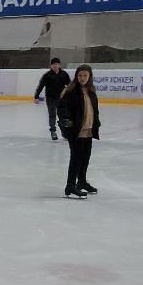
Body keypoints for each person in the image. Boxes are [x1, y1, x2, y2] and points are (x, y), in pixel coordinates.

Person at [56, 64, 100, 199]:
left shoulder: (90, 91)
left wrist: (96, 122)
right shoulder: (71, 91)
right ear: (76, 76)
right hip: (76, 131)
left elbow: (93, 109)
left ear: (89, 77)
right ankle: (70, 185)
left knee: (85, 157)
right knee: (76, 158)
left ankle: (81, 181)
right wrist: (66, 119)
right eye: (80, 75)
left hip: (88, 130)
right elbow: (62, 106)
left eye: (85, 75)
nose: (82, 78)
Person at [33, 58, 71, 142]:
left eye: (57, 64)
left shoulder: (64, 74)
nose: (55, 65)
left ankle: (65, 133)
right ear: (51, 65)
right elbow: (40, 86)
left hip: (62, 99)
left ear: (59, 65)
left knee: (63, 116)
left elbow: (70, 85)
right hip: (50, 98)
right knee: (52, 115)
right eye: (54, 64)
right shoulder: (47, 75)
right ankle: (53, 131)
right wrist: (36, 96)